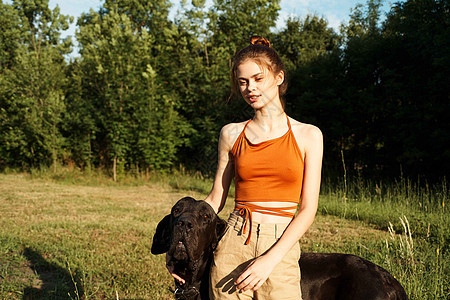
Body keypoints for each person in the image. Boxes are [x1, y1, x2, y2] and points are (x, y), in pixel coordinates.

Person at [170, 36, 323, 299]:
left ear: (278, 77)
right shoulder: (230, 134)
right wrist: (182, 246)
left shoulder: (308, 135)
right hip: (234, 240)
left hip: (280, 246)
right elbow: (215, 198)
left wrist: (269, 259)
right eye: (243, 82)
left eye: (258, 78)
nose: (250, 88)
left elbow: (308, 209)